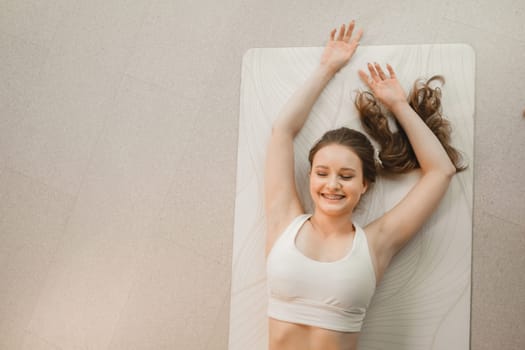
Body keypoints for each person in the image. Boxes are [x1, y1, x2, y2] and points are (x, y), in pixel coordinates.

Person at [264, 20, 462, 350]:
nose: (332, 185)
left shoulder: (375, 243)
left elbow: (440, 171)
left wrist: (398, 105)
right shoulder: (283, 219)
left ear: (364, 185)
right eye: (322, 172)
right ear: (310, 176)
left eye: (346, 176)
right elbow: (283, 131)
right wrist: (327, 68)